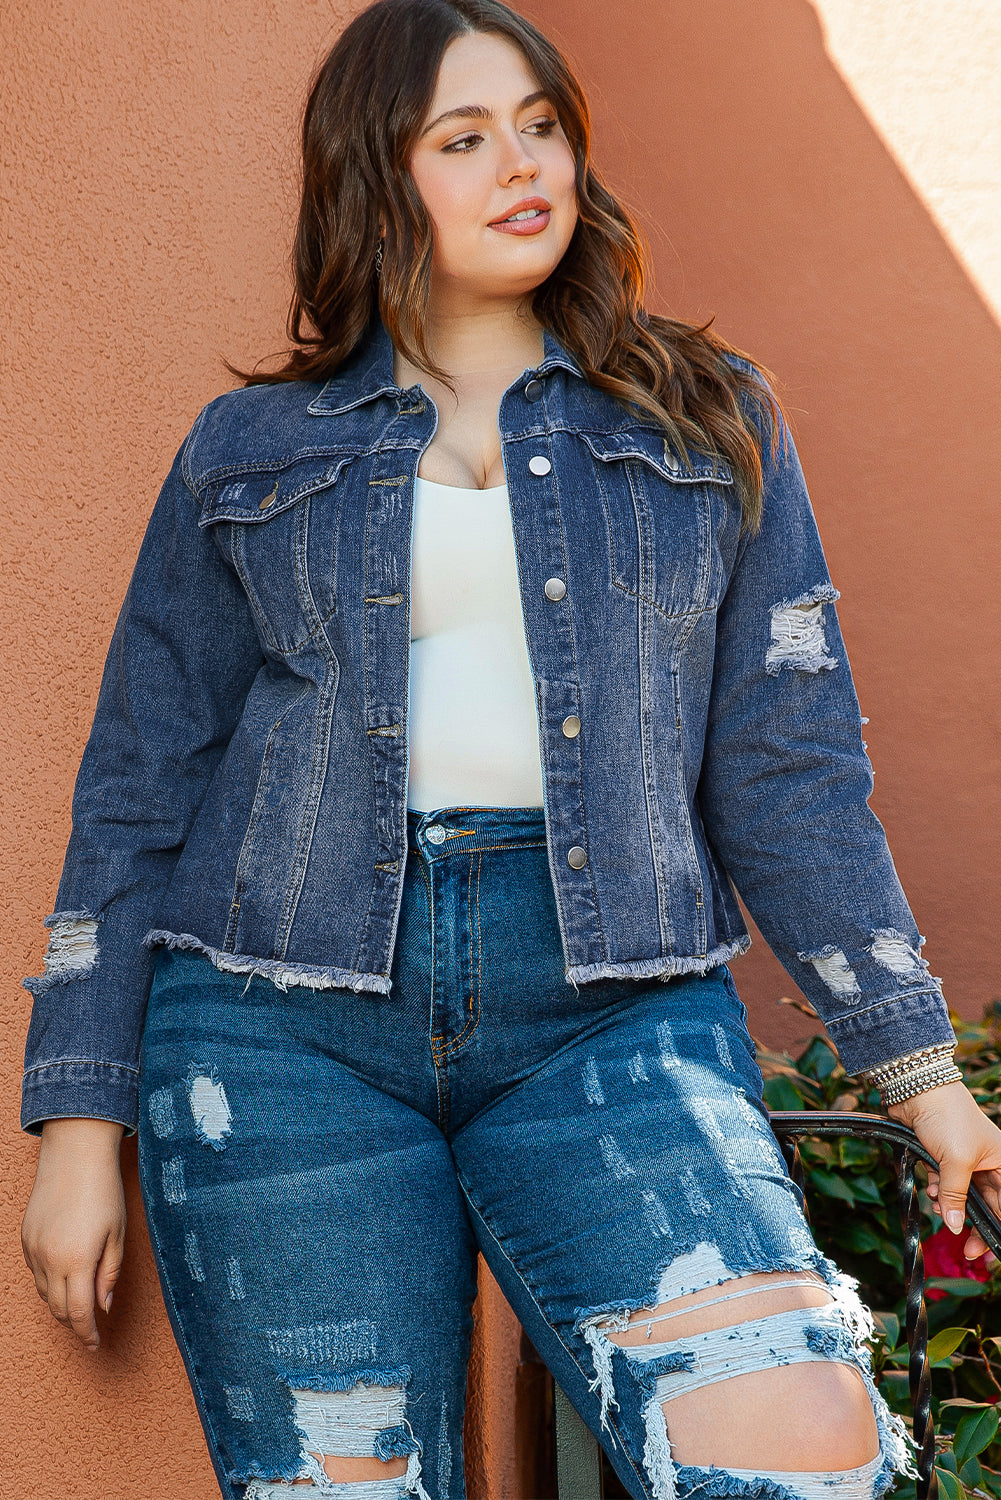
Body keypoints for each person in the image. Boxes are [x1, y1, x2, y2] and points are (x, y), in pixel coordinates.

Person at [18, 1, 1001, 1496]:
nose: (518, 164)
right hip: (276, 1026)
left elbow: (787, 766)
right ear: (376, 178)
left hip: (608, 1011)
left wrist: (918, 1070)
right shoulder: (249, 447)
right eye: (462, 139)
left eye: (537, 124)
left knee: (799, 1450)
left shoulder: (699, 421)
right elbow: (142, 780)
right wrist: (78, 1117)